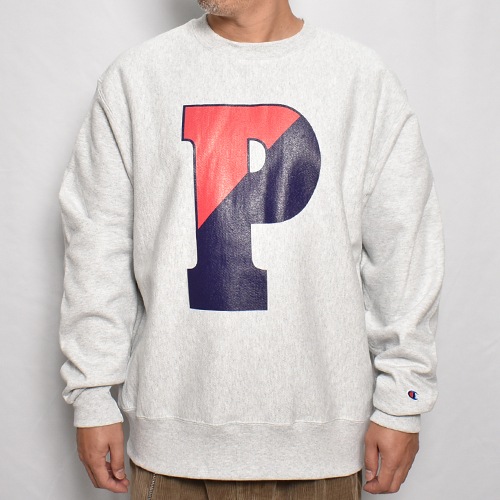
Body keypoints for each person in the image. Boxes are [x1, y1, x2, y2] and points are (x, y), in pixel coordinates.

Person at [57, 0, 445, 498]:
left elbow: (403, 250)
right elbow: (98, 245)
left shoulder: (360, 79)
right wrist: (92, 394)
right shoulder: (137, 77)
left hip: (323, 446)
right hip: (172, 441)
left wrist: (404, 400)